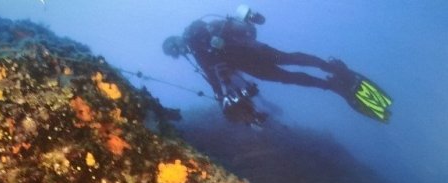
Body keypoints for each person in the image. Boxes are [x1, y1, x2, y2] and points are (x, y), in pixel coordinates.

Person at [163, 5, 392, 126]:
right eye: (177, 53)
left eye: (177, 50)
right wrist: (222, 96)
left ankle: (329, 79)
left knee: (289, 67)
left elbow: (214, 73)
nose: (181, 52)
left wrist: (221, 95)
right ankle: (329, 73)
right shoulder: (198, 49)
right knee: (290, 65)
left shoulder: (197, 36)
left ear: (176, 42)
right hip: (254, 57)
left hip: (253, 56)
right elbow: (215, 75)